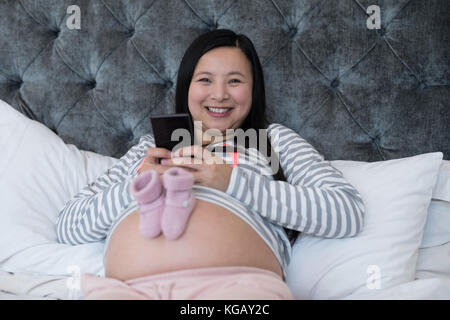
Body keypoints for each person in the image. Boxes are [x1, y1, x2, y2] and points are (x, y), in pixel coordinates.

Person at [56, 29, 365, 300]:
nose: (219, 94)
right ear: (187, 87)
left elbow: (346, 212)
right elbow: (68, 225)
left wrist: (231, 181)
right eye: (205, 80)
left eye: (235, 81)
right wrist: (136, 187)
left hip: (238, 294)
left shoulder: (272, 141)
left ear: (253, 89)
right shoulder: (150, 148)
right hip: (130, 289)